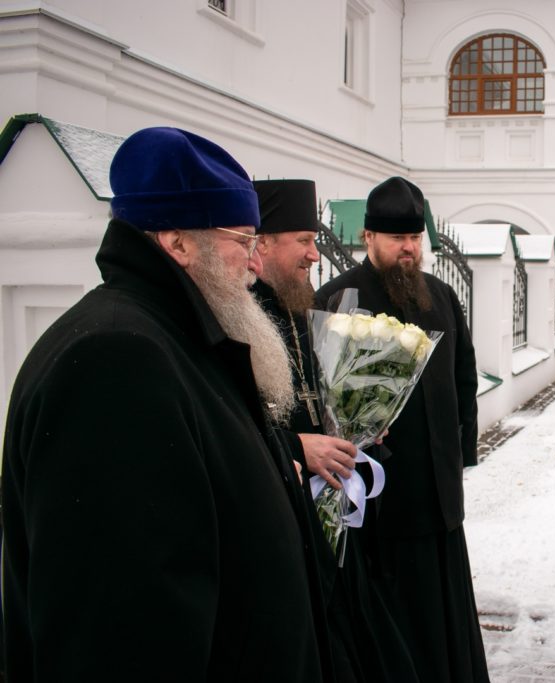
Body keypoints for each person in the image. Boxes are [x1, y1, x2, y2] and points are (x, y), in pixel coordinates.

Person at [1, 127, 332, 681]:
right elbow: (120, 632)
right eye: (242, 241)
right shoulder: (116, 360)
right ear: (177, 242)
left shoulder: (176, 336)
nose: (254, 264)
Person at [314, 177, 488, 682]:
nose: (409, 250)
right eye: (397, 239)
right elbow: (324, 400)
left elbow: (464, 376)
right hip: (381, 507)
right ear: (368, 238)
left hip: (440, 498)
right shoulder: (340, 299)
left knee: (446, 622)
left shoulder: (441, 295)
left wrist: (461, 455)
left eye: (415, 238)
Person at [252, 178, 418, 682]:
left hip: (333, 524)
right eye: (303, 240)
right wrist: (296, 445)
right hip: (283, 530)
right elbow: (230, 423)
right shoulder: (243, 319)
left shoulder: (299, 309)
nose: (313, 254)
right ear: (261, 245)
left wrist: (360, 427)